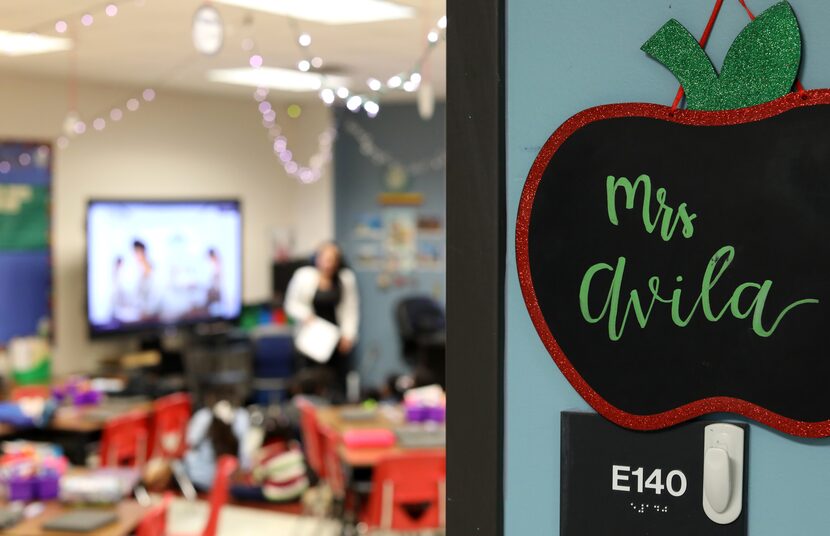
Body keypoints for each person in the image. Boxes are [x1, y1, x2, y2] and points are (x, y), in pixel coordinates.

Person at [284, 242, 359, 401]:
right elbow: (291, 304)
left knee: (336, 383)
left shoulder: (345, 279)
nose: (328, 264)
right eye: (325, 259)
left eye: (332, 260)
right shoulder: (304, 276)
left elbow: (350, 309)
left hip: (335, 338)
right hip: (311, 339)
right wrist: (305, 316)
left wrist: (348, 334)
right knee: (310, 381)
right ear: (317, 259)